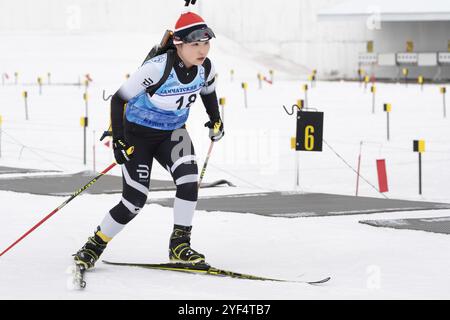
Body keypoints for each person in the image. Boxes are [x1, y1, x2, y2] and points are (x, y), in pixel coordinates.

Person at [74, 12, 224, 270]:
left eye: (206, 43)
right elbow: (119, 99)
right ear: (179, 44)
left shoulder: (206, 68)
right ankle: (94, 245)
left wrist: (215, 119)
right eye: (195, 44)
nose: (202, 50)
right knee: (134, 201)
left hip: (173, 132)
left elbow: (208, 91)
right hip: (138, 135)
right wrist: (119, 140)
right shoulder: (157, 68)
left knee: (189, 184)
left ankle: (179, 244)